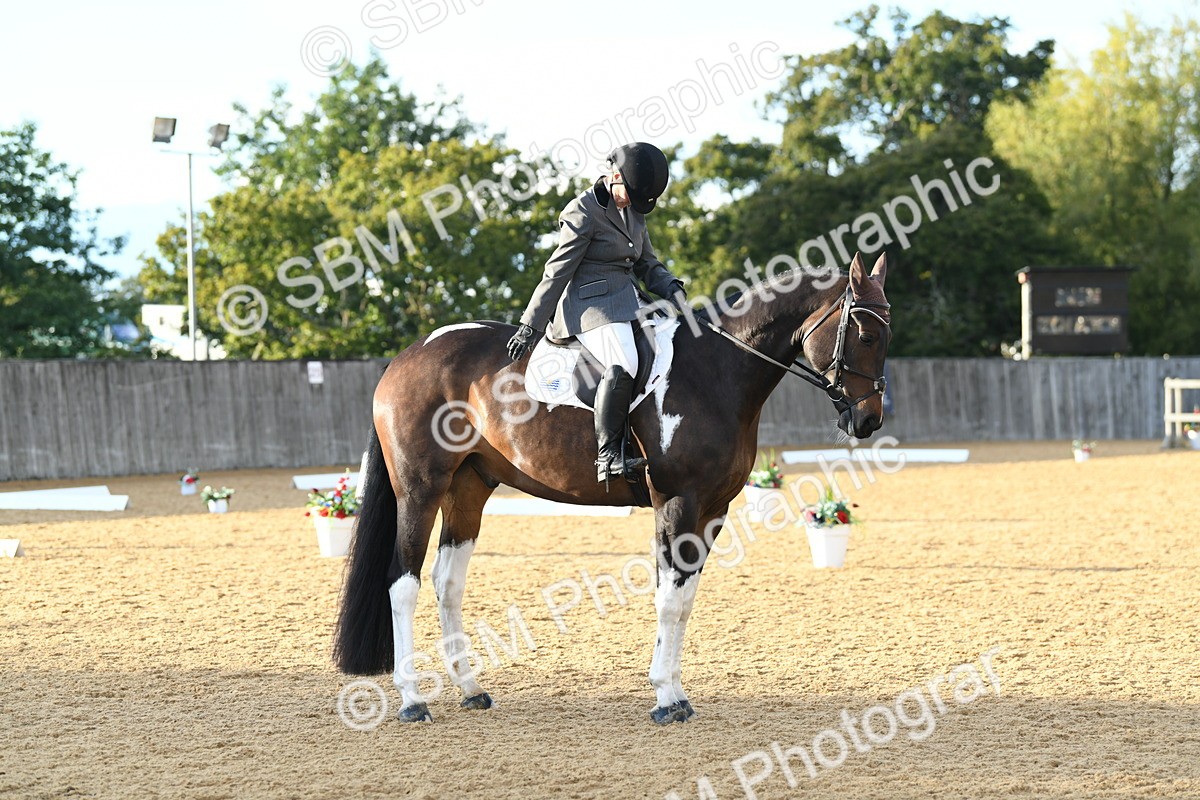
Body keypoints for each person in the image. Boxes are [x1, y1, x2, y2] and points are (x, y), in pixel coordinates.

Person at [506, 142, 687, 483]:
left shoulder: (633, 207)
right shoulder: (583, 211)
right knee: (625, 362)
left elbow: (646, 262)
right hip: (588, 306)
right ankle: (608, 455)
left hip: (629, 299)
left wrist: (670, 287)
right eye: (630, 195)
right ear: (614, 176)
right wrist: (528, 325)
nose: (634, 205)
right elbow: (556, 272)